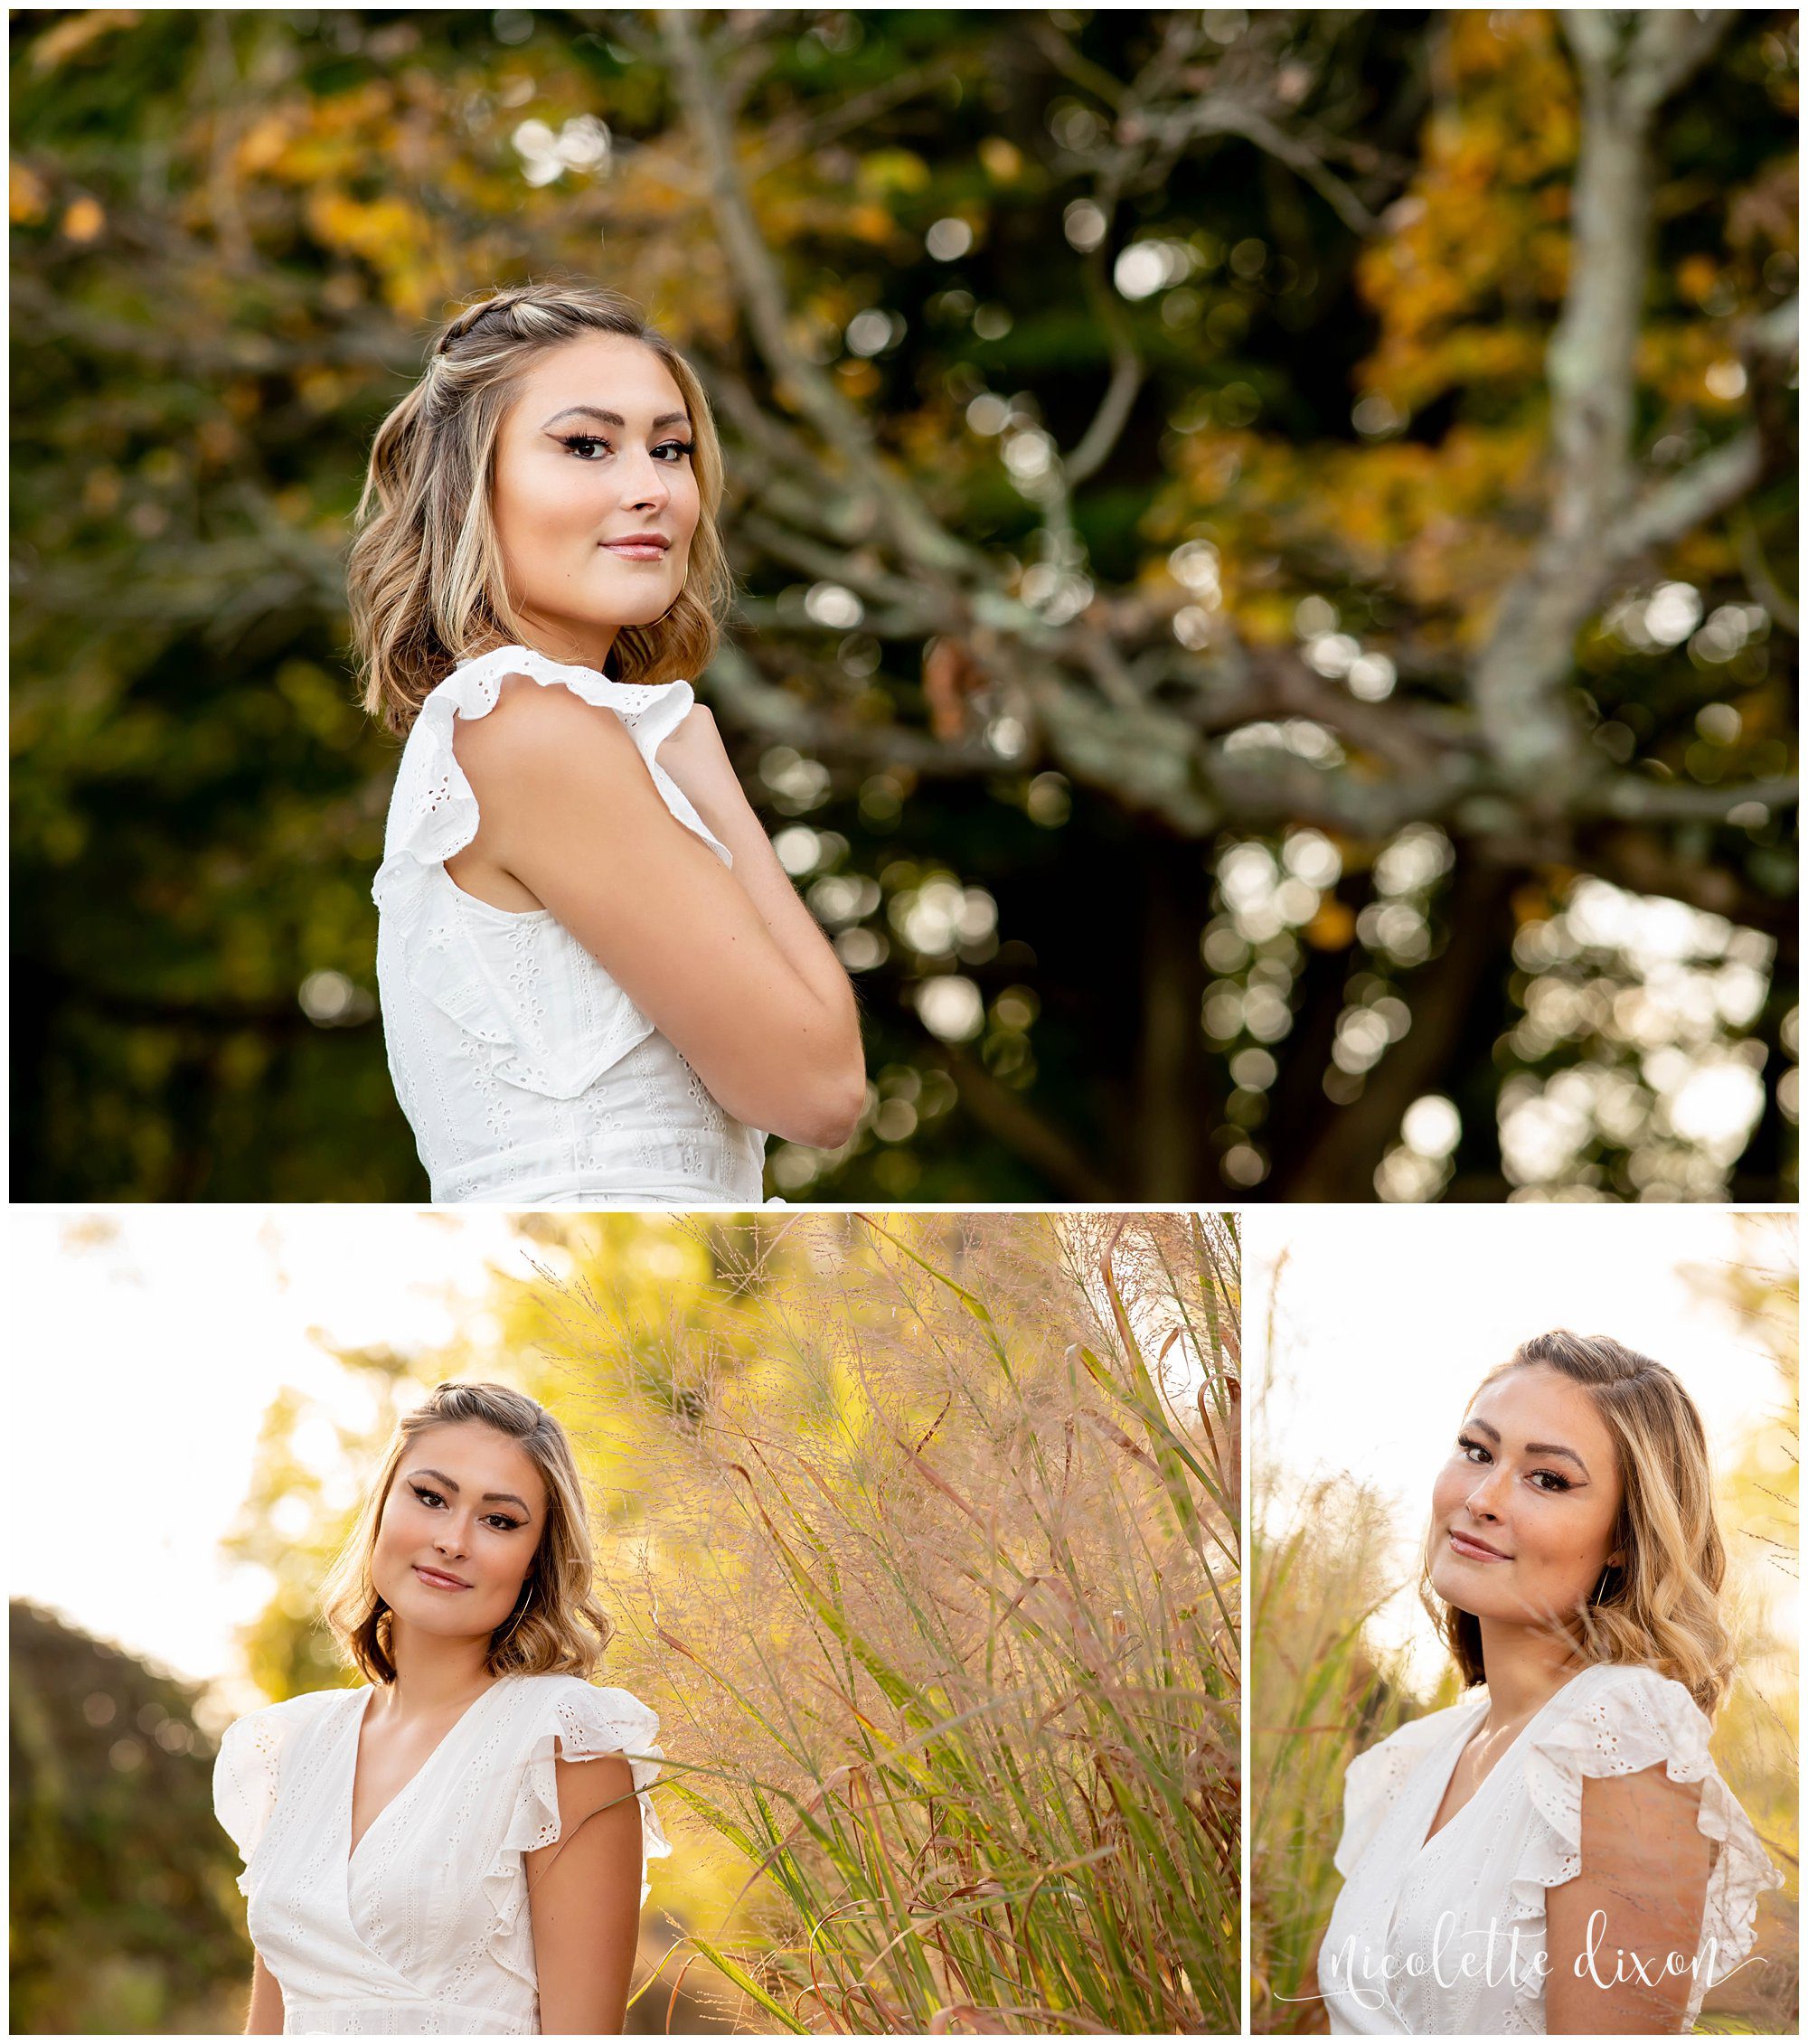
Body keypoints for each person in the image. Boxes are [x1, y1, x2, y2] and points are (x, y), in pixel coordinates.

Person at [347, 279, 865, 1204]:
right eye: (586, 445)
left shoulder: (509, 730)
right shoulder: (527, 726)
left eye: (671, 449)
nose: (651, 489)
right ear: (474, 485)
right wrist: (711, 784)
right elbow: (819, 1091)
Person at [1318, 1333, 1783, 2035]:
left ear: (1625, 1537)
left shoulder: (1624, 1742)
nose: (1482, 1497)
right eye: (1477, 1450)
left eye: (1549, 1479)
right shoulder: (1414, 1758)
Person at [212, 1381, 668, 2035]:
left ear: (535, 1560)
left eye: (499, 1519)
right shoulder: (292, 1744)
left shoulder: (565, 1741)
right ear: (382, 1506)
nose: (454, 1539)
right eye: (431, 1497)